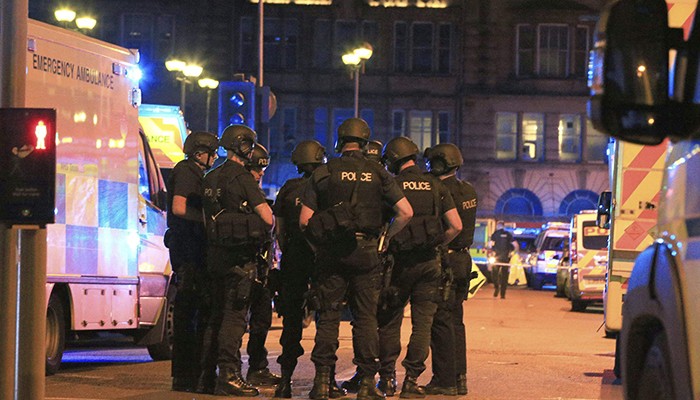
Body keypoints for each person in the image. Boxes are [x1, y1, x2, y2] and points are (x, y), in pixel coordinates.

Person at [300, 117, 413, 400]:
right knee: (365, 318)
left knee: (328, 316)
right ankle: (366, 384)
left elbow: (304, 221)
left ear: (340, 141)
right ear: (364, 142)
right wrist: (385, 239)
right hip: (366, 252)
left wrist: (319, 247)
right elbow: (406, 212)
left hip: (331, 253)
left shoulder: (324, 172)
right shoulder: (378, 173)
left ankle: (322, 382)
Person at [376, 137, 463, 398]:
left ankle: (387, 379)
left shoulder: (392, 184)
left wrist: (387, 240)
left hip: (398, 265)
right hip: (429, 264)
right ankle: (411, 381)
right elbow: (456, 226)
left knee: (390, 322)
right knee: (422, 325)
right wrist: (437, 243)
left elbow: (383, 221)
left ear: (393, 159)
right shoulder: (436, 185)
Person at [199, 124, 274, 397]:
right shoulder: (243, 178)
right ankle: (229, 376)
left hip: (214, 256)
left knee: (215, 317)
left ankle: (206, 377)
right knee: (234, 319)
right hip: (240, 261)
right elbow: (268, 219)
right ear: (245, 147)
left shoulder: (209, 177)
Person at [272, 140, 337, 398]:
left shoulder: (289, 188)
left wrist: (288, 251)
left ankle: (285, 382)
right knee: (326, 318)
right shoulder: (327, 186)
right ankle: (327, 381)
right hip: (321, 258)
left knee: (291, 321)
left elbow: (279, 230)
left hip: (293, 259)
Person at [165, 131, 219, 392]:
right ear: (199, 153)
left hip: (190, 250)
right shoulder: (187, 171)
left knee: (192, 312)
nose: (215, 157)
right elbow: (179, 207)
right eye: (212, 153)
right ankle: (186, 375)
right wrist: (208, 221)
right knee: (188, 314)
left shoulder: (195, 172)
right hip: (187, 251)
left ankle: (189, 374)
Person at [423, 143, 478, 396]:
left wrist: (437, 245)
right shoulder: (468, 189)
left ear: (438, 164)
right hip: (464, 260)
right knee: (456, 321)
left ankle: (444, 380)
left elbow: (452, 226)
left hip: (447, 259)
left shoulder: (440, 190)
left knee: (440, 321)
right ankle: (459, 377)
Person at [243, 143, 282, 387]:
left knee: (261, 319)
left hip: (260, 265)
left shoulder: (256, 193)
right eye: (257, 169)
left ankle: (257, 367)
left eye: (263, 170)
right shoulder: (241, 190)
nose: (260, 174)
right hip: (243, 263)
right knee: (237, 321)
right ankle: (233, 370)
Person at [489, 220, 519, 299]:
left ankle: (497, 288)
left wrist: (491, 253)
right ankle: (503, 294)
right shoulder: (508, 235)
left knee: (494, 274)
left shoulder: (495, 234)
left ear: (497, 226)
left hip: (496, 258)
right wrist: (512, 254)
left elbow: (490, 245)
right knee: (504, 276)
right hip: (506, 258)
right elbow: (516, 245)